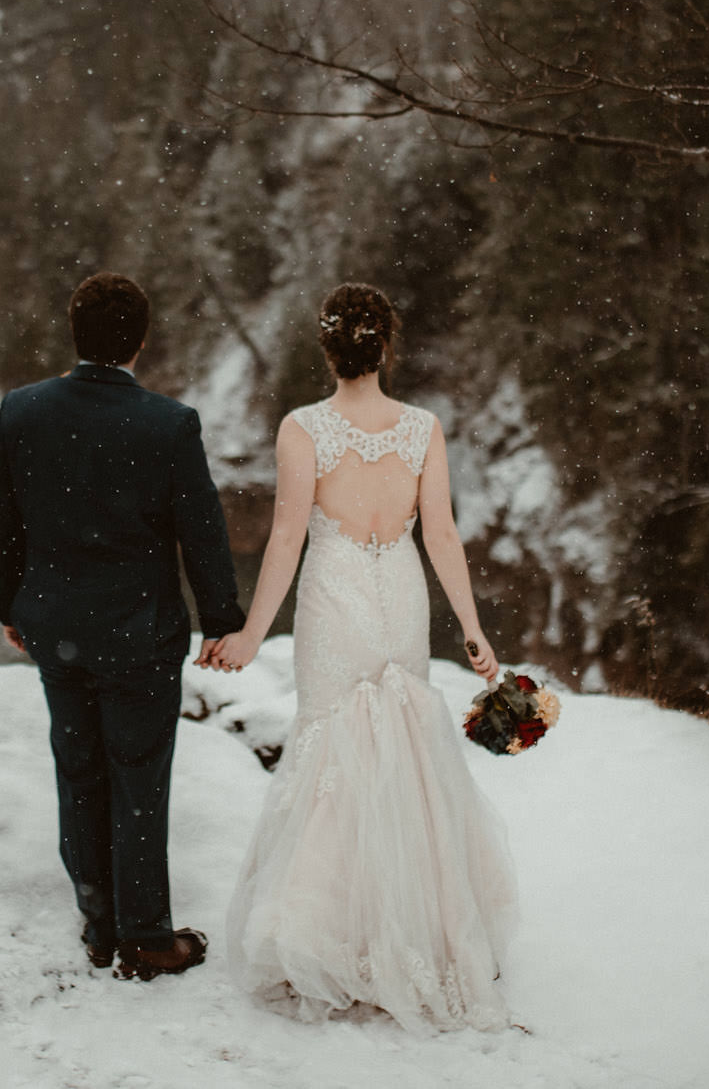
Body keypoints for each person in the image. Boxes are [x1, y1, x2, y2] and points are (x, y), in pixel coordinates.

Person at [197, 281, 518, 1032]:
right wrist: (472, 626)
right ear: (387, 345)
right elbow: (439, 533)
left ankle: (333, 936)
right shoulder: (421, 429)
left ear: (329, 346)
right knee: (404, 744)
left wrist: (248, 634)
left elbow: (285, 537)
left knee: (331, 745)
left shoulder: (304, 428)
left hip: (337, 592)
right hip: (398, 591)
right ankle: (423, 933)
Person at [0, 271, 246, 980]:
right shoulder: (168, 424)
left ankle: (99, 924)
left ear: (76, 333)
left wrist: (13, 606)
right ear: (141, 340)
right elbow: (203, 533)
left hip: (56, 627)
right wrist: (222, 619)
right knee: (138, 777)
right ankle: (147, 936)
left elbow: (1, 522)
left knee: (79, 768)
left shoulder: (22, 410)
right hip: (138, 632)